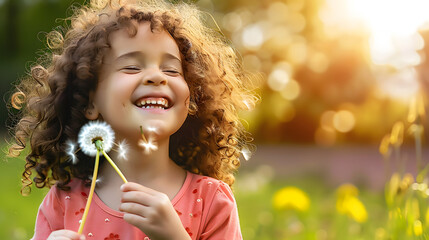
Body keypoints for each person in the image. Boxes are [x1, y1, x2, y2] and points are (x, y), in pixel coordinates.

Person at [8, 0, 257, 239]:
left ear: (191, 101)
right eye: (132, 67)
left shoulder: (211, 200)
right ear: (90, 102)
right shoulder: (64, 202)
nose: (157, 77)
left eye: (171, 70)